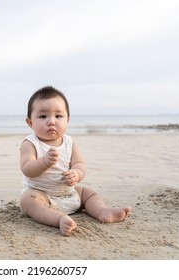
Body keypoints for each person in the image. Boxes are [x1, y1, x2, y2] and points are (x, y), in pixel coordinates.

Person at [19, 86, 131, 236]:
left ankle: (102, 211)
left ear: (67, 120)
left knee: (88, 193)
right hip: (42, 195)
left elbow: (80, 165)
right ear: (30, 122)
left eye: (58, 116)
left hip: (68, 193)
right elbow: (27, 168)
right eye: (43, 116)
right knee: (27, 200)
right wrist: (44, 162)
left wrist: (77, 174)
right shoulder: (30, 143)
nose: (51, 121)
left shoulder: (70, 142)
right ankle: (58, 218)